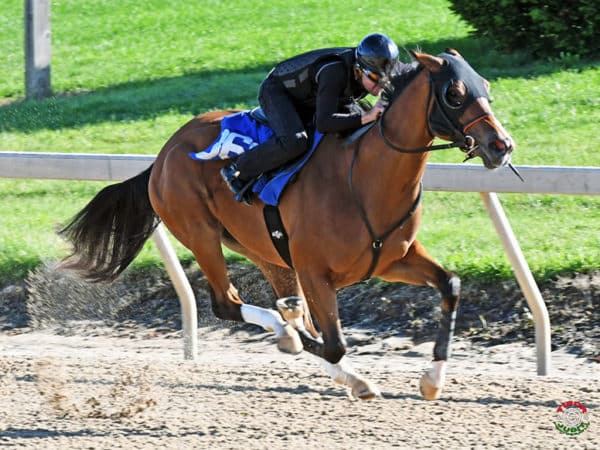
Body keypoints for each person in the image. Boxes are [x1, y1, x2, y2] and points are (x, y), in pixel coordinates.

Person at [221, 32, 400, 202]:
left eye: (387, 79)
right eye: (376, 77)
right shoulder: (334, 72)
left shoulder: (366, 72)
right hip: (277, 91)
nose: (382, 85)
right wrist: (366, 117)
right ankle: (238, 168)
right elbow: (324, 122)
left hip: (312, 95)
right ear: (359, 70)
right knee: (296, 141)